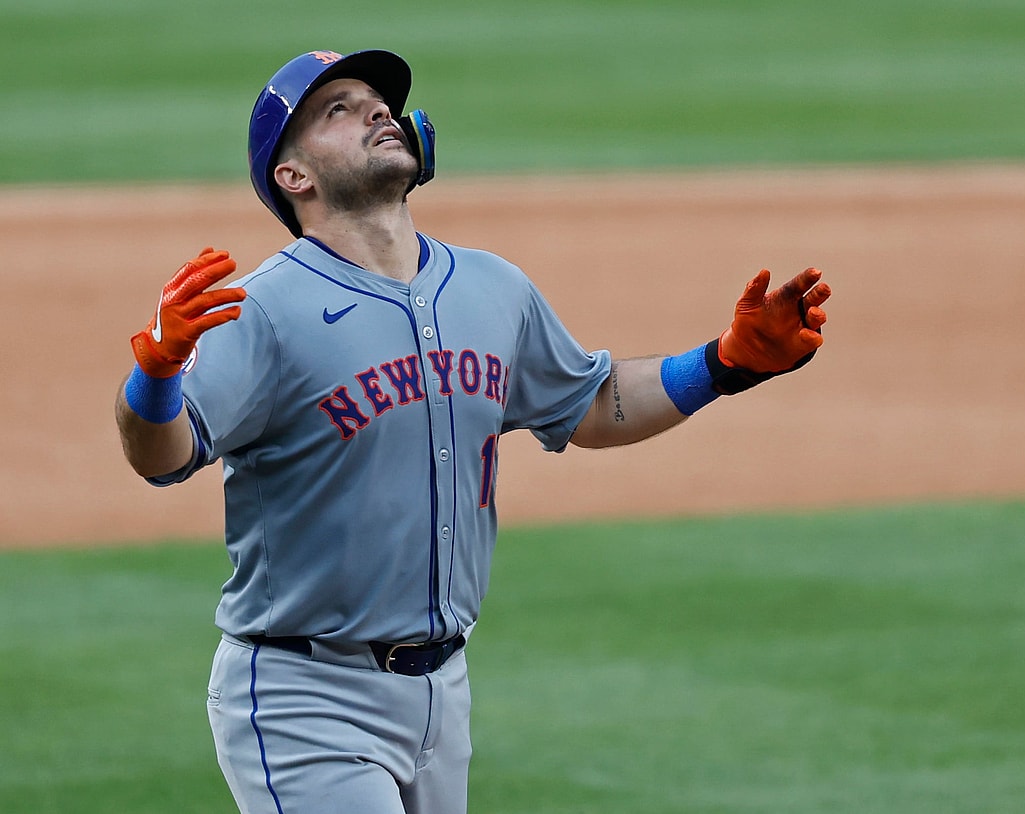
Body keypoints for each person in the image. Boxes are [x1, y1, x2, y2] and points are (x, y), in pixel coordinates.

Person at [114, 48, 831, 814]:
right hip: (305, 695)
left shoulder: (493, 286)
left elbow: (590, 404)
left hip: (441, 694)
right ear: (295, 177)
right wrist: (154, 376)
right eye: (339, 109)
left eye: (379, 103)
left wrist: (724, 365)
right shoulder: (260, 310)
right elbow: (164, 454)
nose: (377, 113)